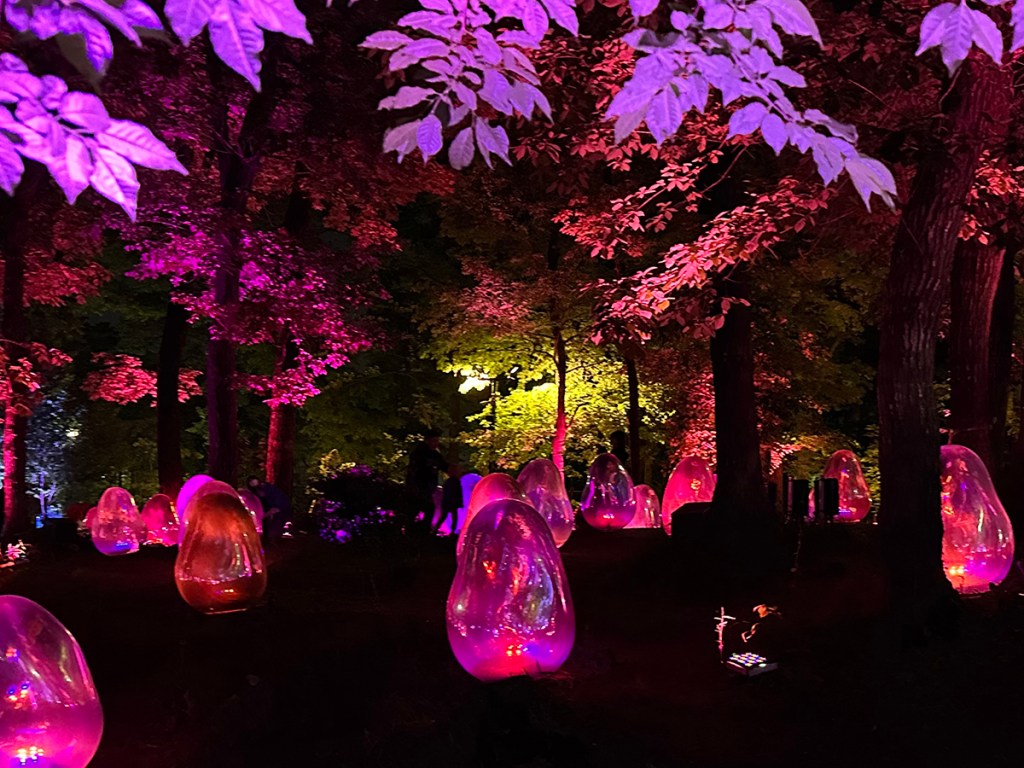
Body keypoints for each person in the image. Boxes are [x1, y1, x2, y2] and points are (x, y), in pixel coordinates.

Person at [405, 429, 447, 529]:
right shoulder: (420, 454)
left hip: (426, 488)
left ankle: (416, 530)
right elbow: (414, 471)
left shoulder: (434, 455)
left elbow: (443, 465)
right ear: (427, 440)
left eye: (437, 441)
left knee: (424, 509)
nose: (436, 444)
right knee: (422, 508)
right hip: (419, 487)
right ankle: (417, 531)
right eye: (434, 441)